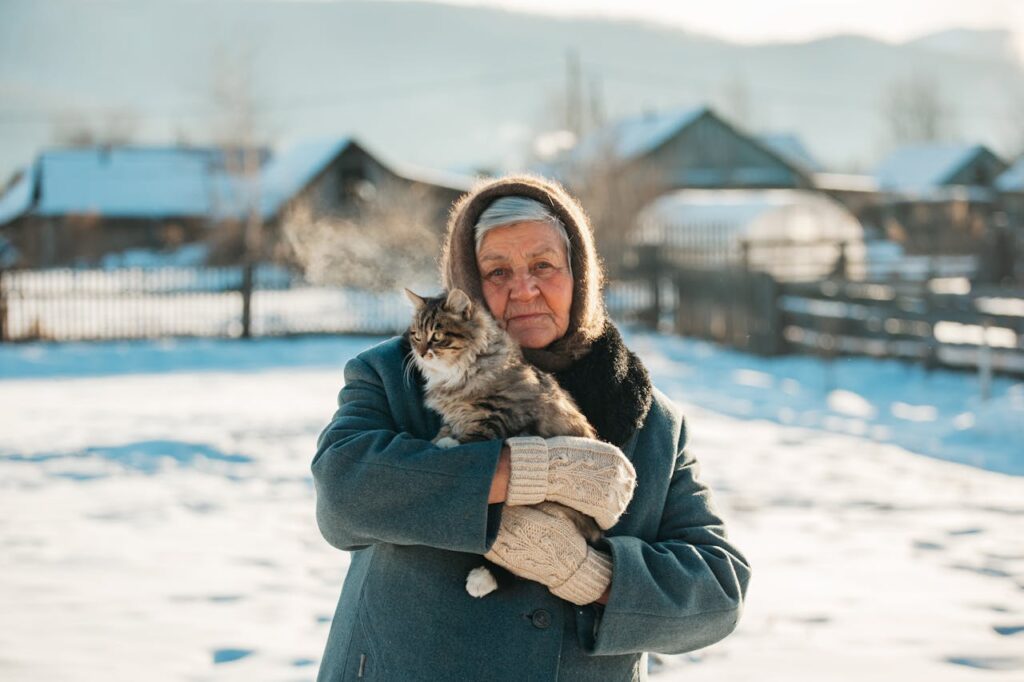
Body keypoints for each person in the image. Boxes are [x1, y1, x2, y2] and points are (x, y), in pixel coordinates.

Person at [311, 174, 751, 681]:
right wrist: (516, 474)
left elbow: (718, 591)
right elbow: (342, 492)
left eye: (544, 265)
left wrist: (594, 576)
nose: (524, 289)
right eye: (497, 272)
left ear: (579, 276)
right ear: (467, 289)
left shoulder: (650, 418)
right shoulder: (397, 374)